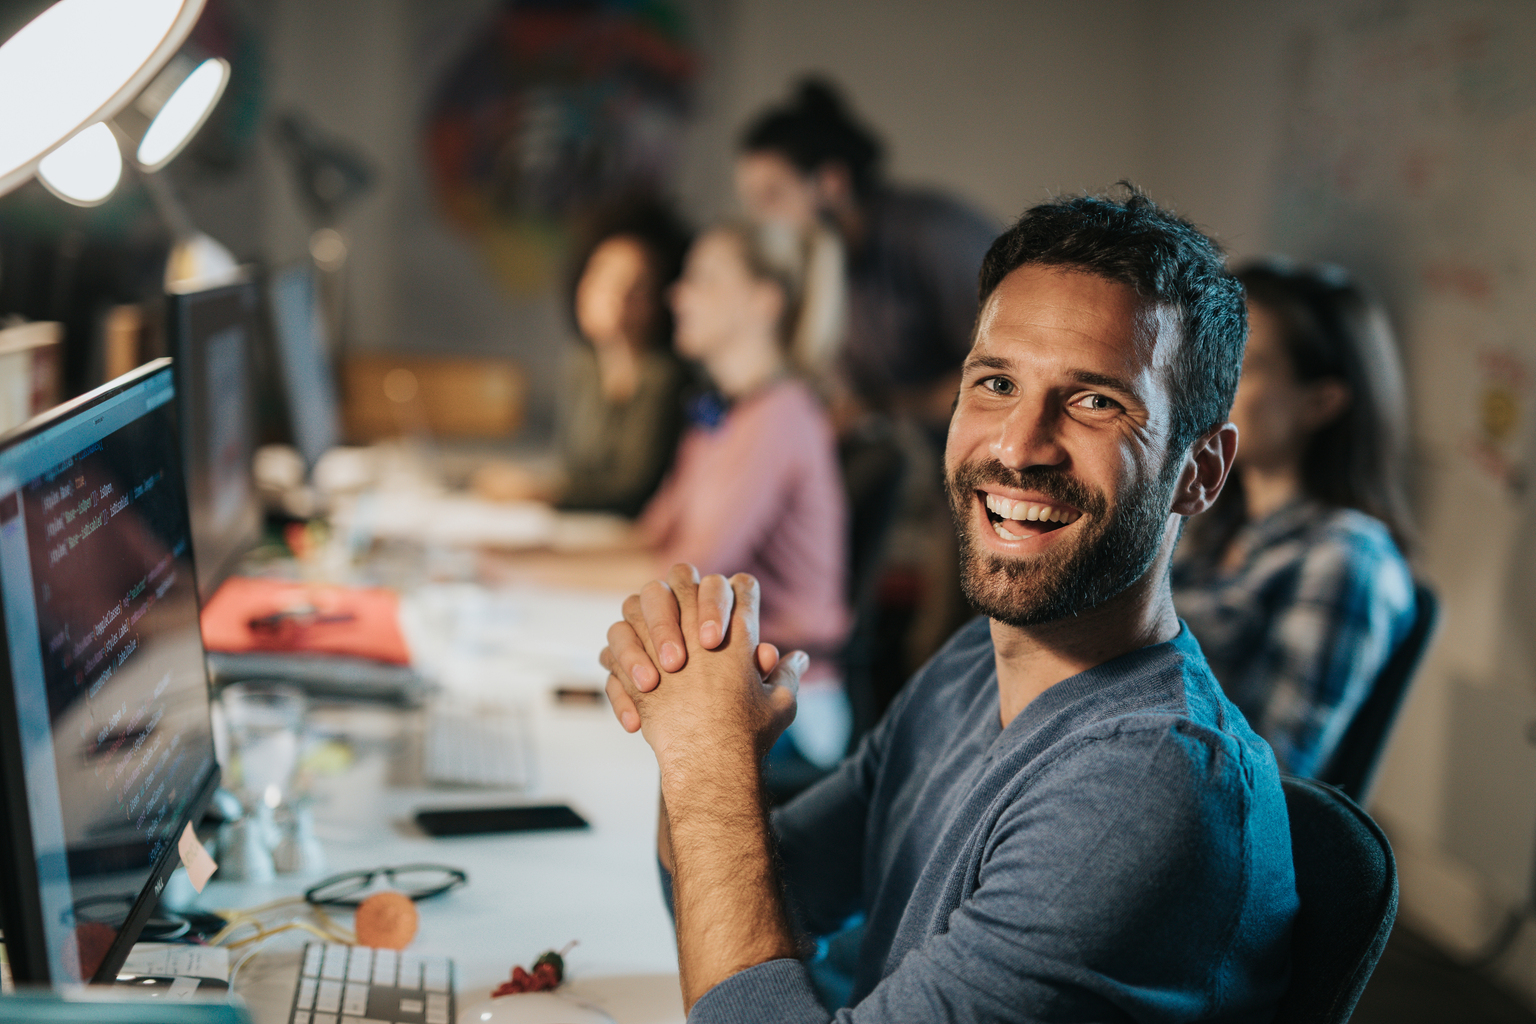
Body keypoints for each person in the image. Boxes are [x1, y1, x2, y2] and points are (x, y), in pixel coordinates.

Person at [600, 187, 1298, 1022]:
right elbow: (726, 900)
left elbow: (728, 932)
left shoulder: (1146, 785)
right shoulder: (975, 663)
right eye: (995, 382)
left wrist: (711, 762)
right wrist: (687, 706)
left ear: (1202, 470)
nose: (1017, 445)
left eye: (1096, 401)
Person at [1172, 261, 1416, 777]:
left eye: (1246, 364)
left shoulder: (1345, 557)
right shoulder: (1211, 521)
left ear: (1321, 402)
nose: (1211, 380)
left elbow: (1276, 773)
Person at [636, 220, 852, 767]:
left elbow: (679, 569)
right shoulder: (724, 412)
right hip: (727, 685)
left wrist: (502, 570)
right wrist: (506, 562)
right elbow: (649, 539)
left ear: (764, 301)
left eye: (702, 279)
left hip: (787, 708)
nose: (676, 294)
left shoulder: (780, 416)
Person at [737, 77, 998, 432]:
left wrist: (872, 408)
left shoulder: (930, 236)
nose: (763, 223)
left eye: (773, 196)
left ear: (833, 182)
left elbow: (1003, 376)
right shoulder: (828, 266)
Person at [475, 198, 692, 517]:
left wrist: (541, 492)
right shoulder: (584, 364)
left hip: (626, 536)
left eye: (636, 285)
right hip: (580, 527)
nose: (615, 296)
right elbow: (571, 465)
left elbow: (632, 488)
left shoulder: (666, 378)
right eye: (604, 277)